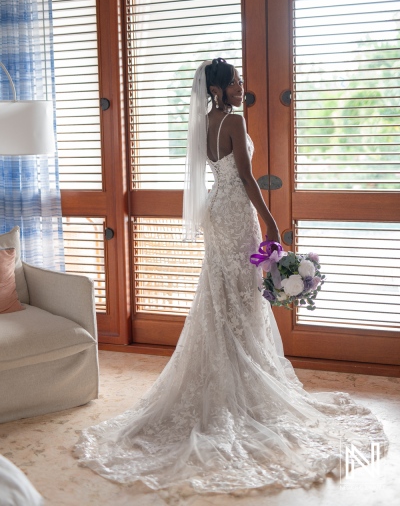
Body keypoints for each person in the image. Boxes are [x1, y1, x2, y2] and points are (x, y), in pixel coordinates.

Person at [75, 58, 388, 495]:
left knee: (222, 290)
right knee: (241, 294)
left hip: (215, 214)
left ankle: (228, 374)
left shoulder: (202, 121)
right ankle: (242, 383)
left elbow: (218, 176)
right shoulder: (233, 122)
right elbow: (245, 177)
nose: (243, 87)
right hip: (238, 213)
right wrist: (271, 221)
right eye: (237, 82)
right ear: (219, 89)